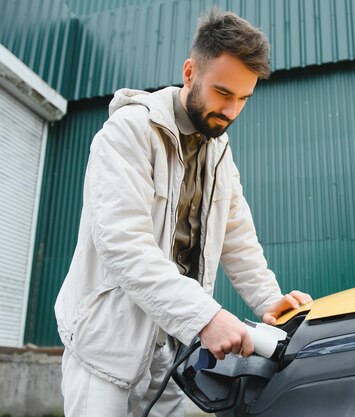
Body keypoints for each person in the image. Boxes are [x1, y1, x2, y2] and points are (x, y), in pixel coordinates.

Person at [54, 8, 312, 417]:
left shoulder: (219, 152)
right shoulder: (128, 134)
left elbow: (237, 236)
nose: (231, 111)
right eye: (223, 93)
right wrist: (206, 317)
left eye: (243, 98)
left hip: (172, 349)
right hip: (106, 348)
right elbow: (123, 244)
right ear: (190, 72)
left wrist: (270, 300)